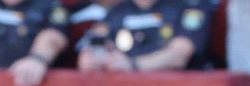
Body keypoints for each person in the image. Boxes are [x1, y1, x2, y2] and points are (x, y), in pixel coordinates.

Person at [76, 0, 219, 72]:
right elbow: (88, 54)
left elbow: (179, 55)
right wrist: (100, 59)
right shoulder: (116, 12)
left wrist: (132, 64)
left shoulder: (190, 6)